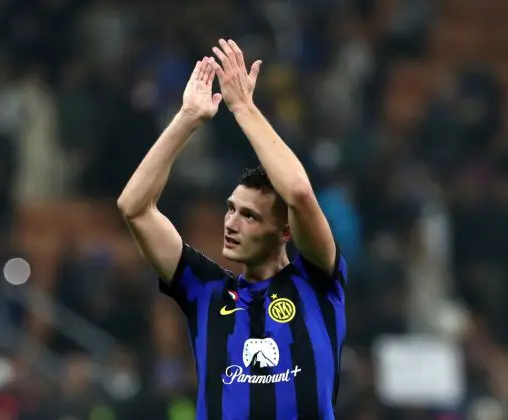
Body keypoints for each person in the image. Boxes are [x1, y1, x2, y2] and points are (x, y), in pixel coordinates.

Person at [117, 39, 348, 420]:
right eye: (230, 210)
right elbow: (134, 208)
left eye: (250, 216)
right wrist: (187, 118)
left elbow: (300, 193)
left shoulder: (317, 281)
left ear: (285, 232)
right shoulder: (205, 290)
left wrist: (243, 107)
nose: (231, 223)